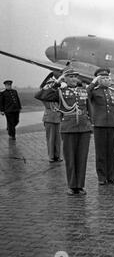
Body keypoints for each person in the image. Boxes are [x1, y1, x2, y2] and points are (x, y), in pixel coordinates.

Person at [35, 68, 92, 196]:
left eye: (75, 76)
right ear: (64, 78)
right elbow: (40, 95)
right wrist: (57, 83)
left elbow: (89, 108)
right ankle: (72, 186)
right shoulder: (60, 91)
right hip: (68, 127)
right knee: (70, 157)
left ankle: (80, 185)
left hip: (83, 127)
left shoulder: (83, 90)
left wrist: (91, 124)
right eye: (70, 76)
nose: (73, 79)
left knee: (82, 158)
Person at [87, 68, 114, 185]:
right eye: (103, 78)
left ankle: (112, 176)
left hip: (113, 125)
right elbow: (85, 95)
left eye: (107, 78)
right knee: (101, 153)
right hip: (99, 125)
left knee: (113, 152)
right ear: (98, 80)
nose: (106, 80)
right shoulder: (94, 91)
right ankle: (102, 177)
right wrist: (93, 83)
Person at [40, 72, 62, 162]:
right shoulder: (45, 95)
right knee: (50, 138)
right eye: (49, 85)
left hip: (57, 118)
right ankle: (51, 156)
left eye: (52, 84)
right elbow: (42, 95)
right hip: (49, 118)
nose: (51, 86)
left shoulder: (58, 94)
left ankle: (58, 155)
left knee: (58, 139)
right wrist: (46, 89)